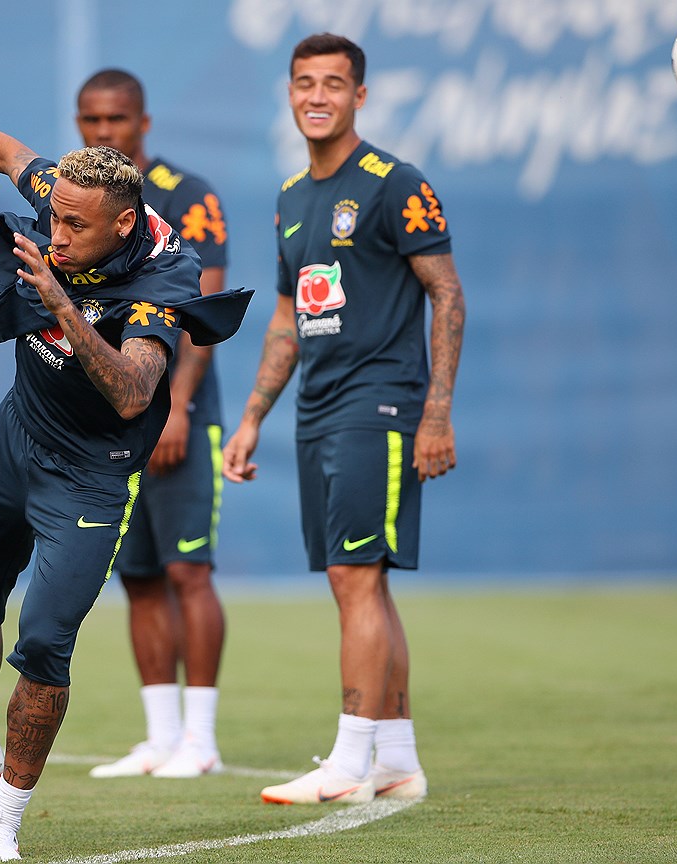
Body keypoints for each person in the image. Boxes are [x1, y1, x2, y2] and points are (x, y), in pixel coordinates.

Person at [0, 71, 249, 861]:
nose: (54, 236)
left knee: (47, 642)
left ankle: (4, 822)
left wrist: (64, 307)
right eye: (51, 217)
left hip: (91, 473)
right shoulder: (67, 194)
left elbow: (133, 392)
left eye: (73, 228)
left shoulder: (165, 274)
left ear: (124, 222)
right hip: (14, 437)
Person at [222, 33, 466, 805]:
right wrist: (253, 415)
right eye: (303, 83)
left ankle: (349, 758)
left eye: (333, 83)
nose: (316, 96)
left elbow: (448, 294)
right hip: (315, 410)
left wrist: (434, 415)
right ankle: (396, 757)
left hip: (382, 404)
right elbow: (290, 314)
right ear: (289, 94)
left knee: (354, 576)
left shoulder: (395, 183)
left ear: (359, 95)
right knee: (362, 584)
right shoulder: (292, 198)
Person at [73, 69, 229, 781]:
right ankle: (160, 736)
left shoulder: (187, 195)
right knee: (136, 577)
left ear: (143, 122)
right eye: (91, 120)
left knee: (187, 570)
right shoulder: (74, 199)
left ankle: (200, 739)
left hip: (176, 417)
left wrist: (180, 409)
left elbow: (202, 315)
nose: (104, 132)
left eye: (117, 119)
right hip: (112, 425)